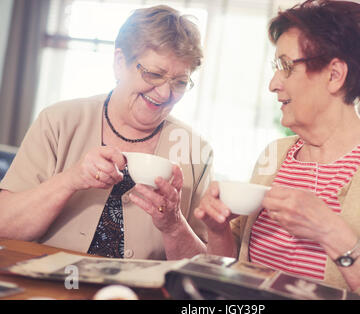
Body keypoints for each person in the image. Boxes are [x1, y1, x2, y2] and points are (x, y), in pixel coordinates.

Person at [194, 0, 360, 299]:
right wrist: (218, 231)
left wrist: (329, 230)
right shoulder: (274, 154)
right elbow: (233, 270)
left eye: (286, 66)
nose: (273, 84)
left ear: (334, 75)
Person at [0, 5, 212, 260]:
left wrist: (174, 225)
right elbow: (5, 224)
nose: (166, 94)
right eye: (155, 74)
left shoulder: (195, 151)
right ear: (120, 62)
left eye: (179, 82)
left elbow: (205, 266)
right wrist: (70, 180)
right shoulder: (58, 121)